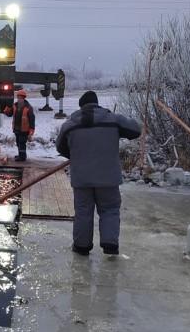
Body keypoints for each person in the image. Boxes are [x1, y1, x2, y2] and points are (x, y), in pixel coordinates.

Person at [56, 90, 141, 256]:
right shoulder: (113, 120)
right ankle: (110, 245)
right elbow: (136, 130)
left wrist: (77, 155)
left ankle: (81, 247)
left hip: (81, 177)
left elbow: (60, 147)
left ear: (81, 107)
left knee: (83, 211)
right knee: (109, 209)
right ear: (97, 103)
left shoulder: (70, 125)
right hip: (108, 176)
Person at [3, 89, 35, 162]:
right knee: (18, 142)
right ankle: (21, 154)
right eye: (18, 98)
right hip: (17, 128)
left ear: (23, 98)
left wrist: (31, 130)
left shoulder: (28, 108)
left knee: (22, 142)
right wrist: (6, 111)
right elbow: (10, 114)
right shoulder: (15, 106)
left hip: (24, 129)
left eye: (20, 98)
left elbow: (32, 120)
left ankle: (22, 157)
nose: (19, 99)